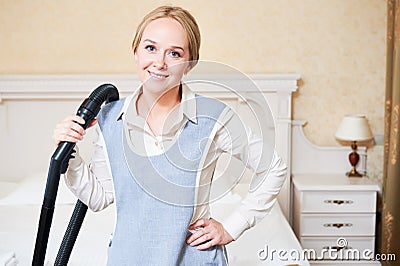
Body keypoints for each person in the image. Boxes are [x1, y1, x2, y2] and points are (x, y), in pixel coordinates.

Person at [53, 5, 287, 265]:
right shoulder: (109, 117)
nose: (160, 63)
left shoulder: (214, 117)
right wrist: (69, 154)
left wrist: (232, 227)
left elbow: (273, 167)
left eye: (174, 53)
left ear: (189, 64)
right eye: (150, 48)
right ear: (136, 51)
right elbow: (99, 198)